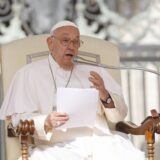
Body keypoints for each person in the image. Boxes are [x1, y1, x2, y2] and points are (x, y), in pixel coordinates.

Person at [0, 20, 145, 160]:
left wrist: (104, 94)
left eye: (76, 42)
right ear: (50, 43)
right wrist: (46, 121)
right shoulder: (28, 73)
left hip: (101, 144)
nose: (71, 46)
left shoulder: (95, 72)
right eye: (65, 41)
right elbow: (18, 121)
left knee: (131, 155)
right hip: (55, 148)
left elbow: (118, 117)